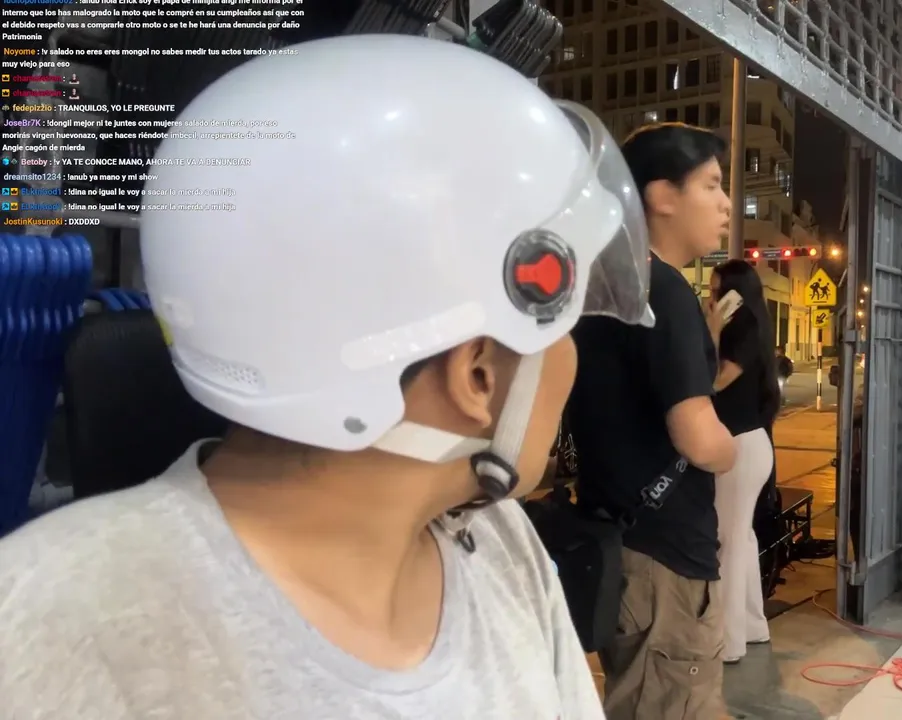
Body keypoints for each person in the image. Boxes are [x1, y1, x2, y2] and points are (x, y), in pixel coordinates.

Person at [0, 36, 655, 719]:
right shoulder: (43, 627)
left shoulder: (503, 547)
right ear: (478, 374)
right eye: (561, 328)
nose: (570, 355)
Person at [566, 122, 736, 720]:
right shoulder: (663, 289)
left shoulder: (602, 286)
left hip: (619, 540)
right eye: (711, 185)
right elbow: (698, 436)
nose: (726, 203)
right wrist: (731, 450)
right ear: (661, 195)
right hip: (666, 556)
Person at [708, 259, 780, 663]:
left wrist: (712, 331)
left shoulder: (742, 329)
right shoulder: (755, 325)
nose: (710, 297)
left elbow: (712, 382)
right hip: (750, 446)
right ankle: (752, 625)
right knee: (742, 537)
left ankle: (728, 640)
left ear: (734, 293)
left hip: (739, 447)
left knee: (729, 541)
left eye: (716, 290)